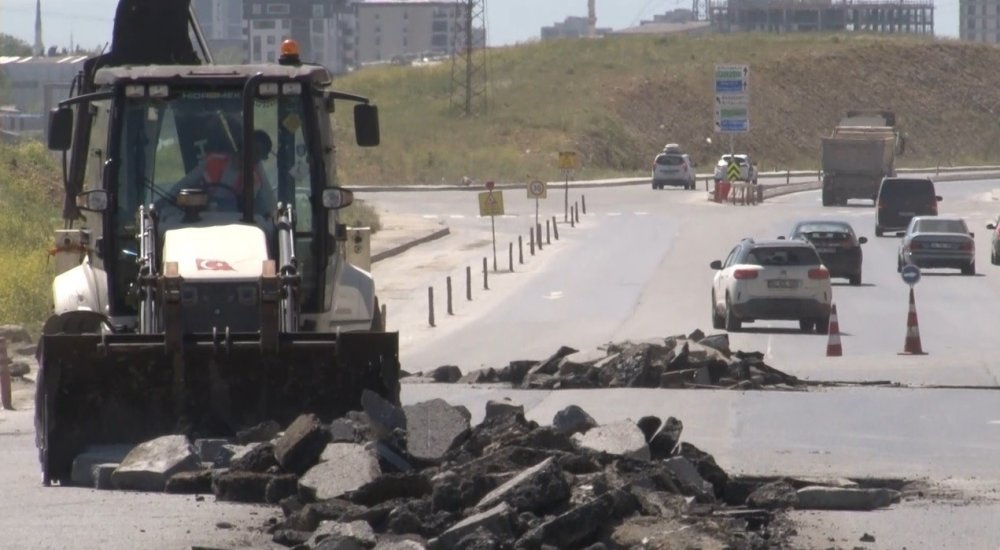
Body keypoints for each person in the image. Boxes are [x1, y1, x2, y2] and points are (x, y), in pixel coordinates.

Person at [164, 128, 277, 218]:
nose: (253, 155)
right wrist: (167, 201)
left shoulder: (254, 180)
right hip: (200, 218)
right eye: (252, 149)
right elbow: (183, 185)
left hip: (233, 224)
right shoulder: (213, 161)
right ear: (244, 144)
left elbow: (247, 209)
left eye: (258, 153)